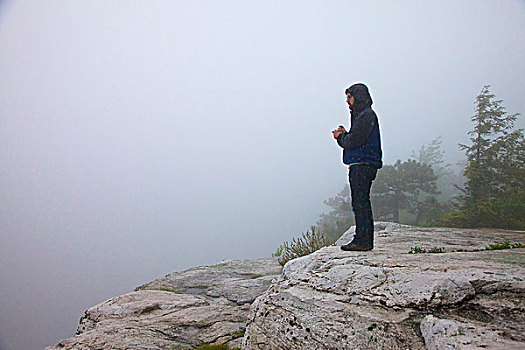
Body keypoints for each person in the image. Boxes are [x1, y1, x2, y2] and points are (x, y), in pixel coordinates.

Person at [332, 83, 382, 251]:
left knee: (360, 203)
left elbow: (354, 142)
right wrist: (346, 134)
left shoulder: (366, 116)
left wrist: (341, 137)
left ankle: (363, 240)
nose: (347, 101)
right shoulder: (364, 116)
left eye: (349, 97)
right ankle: (362, 239)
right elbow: (357, 137)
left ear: (357, 97)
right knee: (360, 202)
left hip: (363, 164)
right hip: (363, 163)